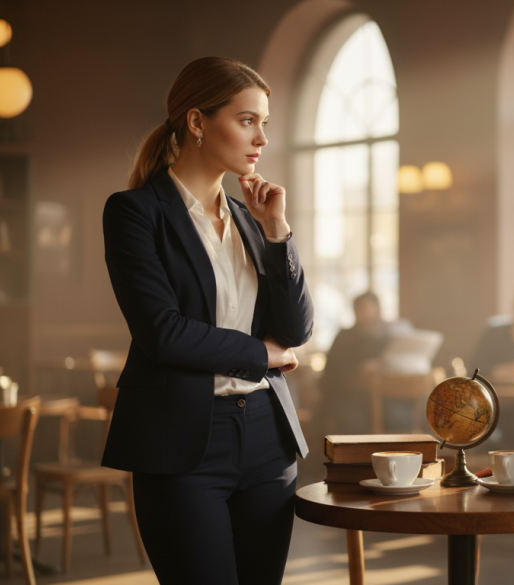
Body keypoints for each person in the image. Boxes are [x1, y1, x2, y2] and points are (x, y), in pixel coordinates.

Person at [101, 56, 313, 585]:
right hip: (182, 441)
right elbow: (163, 333)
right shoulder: (134, 213)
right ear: (197, 122)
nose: (261, 137)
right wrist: (262, 355)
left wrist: (279, 233)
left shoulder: (251, 218)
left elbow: (296, 331)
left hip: (268, 436)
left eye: (266, 122)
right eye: (247, 120)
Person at [318, 291, 392, 434]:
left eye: (368, 308)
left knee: (399, 418)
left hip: (385, 397)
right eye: (361, 308)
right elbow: (332, 374)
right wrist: (359, 370)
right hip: (348, 397)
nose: (365, 313)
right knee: (353, 423)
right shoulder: (344, 337)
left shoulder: (387, 337)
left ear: (377, 310)